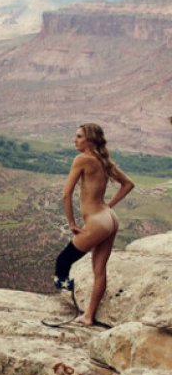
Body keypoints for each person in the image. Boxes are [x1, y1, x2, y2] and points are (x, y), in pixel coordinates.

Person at [53, 123, 134, 326]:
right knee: (99, 271)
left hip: (98, 222)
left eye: (79, 136)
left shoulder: (82, 159)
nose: (75, 140)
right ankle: (88, 316)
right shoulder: (103, 160)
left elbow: (66, 194)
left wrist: (71, 222)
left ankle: (67, 299)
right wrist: (109, 206)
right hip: (109, 218)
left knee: (63, 261)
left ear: (90, 140)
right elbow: (128, 184)